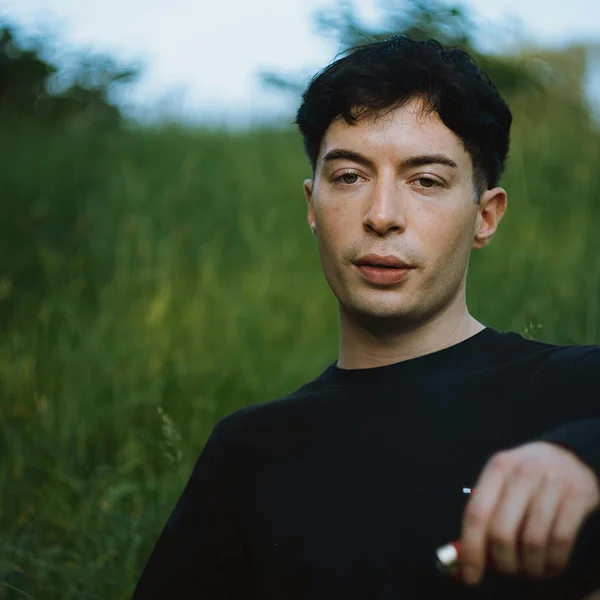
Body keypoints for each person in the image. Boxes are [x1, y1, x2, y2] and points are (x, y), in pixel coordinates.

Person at [131, 35, 600, 599]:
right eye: (350, 176)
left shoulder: (574, 387)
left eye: (426, 181)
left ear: (486, 216)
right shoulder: (250, 451)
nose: (381, 216)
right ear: (312, 205)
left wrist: (585, 454)